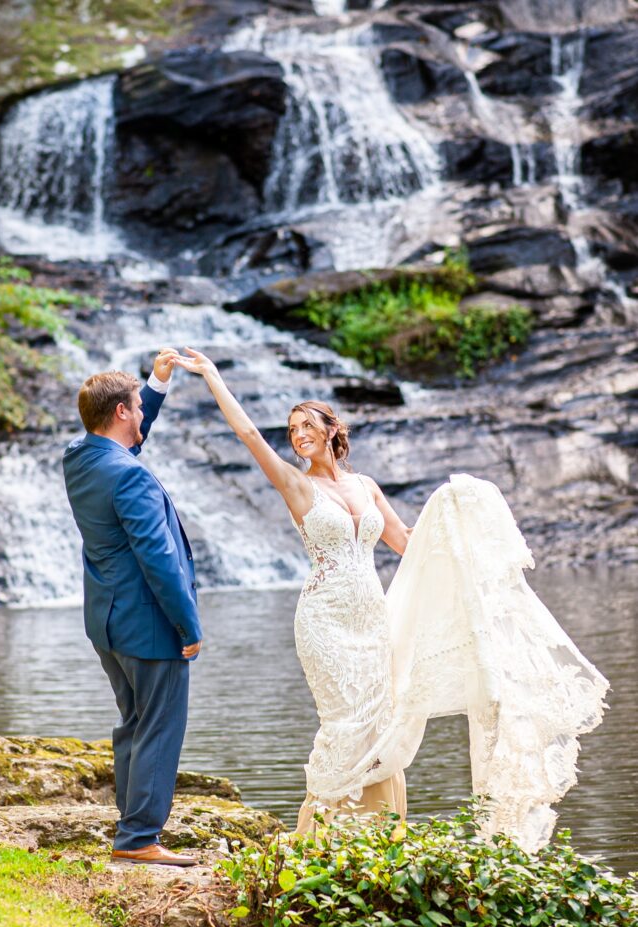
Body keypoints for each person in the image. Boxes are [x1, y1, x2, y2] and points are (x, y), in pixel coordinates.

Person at [178, 347, 609, 852]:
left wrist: (457, 523)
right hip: (325, 619)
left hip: (373, 618)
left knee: (382, 720)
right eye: (292, 430)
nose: (298, 435)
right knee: (346, 722)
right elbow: (249, 435)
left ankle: (380, 839)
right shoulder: (295, 484)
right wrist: (211, 375)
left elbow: (406, 542)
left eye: (306, 425)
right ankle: (323, 841)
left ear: (331, 430)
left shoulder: (365, 485)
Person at [63, 350, 202, 867]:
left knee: (135, 723)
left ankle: (131, 826)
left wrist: (156, 385)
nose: (143, 413)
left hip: (107, 622)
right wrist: (187, 623)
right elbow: (159, 559)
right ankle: (140, 837)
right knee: (160, 726)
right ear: (121, 413)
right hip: (149, 622)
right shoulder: (129, 477)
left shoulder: (80, 457)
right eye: (138, 407)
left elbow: (123, 443)